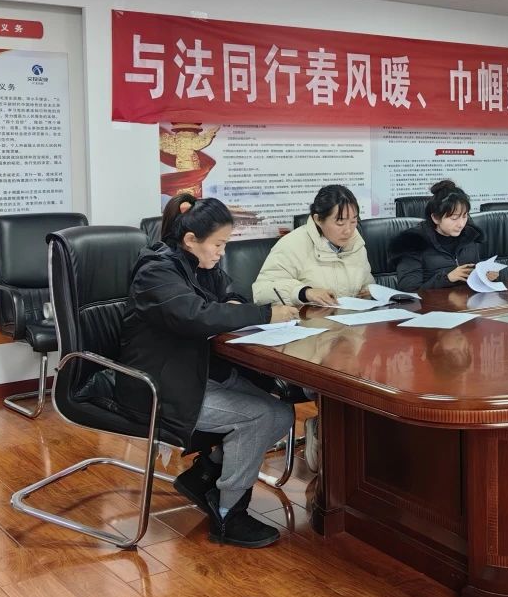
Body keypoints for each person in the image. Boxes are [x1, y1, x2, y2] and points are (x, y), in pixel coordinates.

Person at [116, 193, 298, 548]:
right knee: (260, 415)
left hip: (196, 372)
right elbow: (195, 315)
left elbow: (229, 295)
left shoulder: (200, 265)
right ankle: (229, 514)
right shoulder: (156, 271)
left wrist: (235, 303)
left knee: (281, 412)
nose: (221, 252)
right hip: (159, 385)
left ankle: (204, 475)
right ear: (190, 239)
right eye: (218, 244)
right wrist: (263, 313)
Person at [253, 184, 373, 306]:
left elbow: (367, 283)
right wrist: (304, 292)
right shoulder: (293, 244)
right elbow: (261, 292)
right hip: (308, 317)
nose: (348, 230)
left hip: (351, 317)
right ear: (318, 219)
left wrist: (370, 292)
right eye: (340, 223)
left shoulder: (356, 244)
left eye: (353, 221)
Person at [391, 180, 508, 291]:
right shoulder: (411, 242)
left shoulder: (469, 236)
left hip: (467, 302)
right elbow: (409, 290)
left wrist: (485, 276)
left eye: (464, 216)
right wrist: (447, 278)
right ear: (435, 218)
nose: (461, 224)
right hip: (432, 305)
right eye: (454, 218)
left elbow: (473, 278)